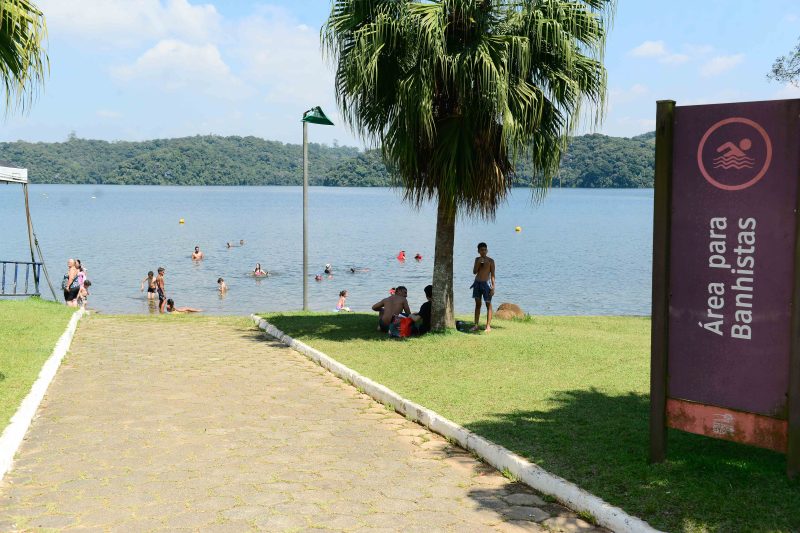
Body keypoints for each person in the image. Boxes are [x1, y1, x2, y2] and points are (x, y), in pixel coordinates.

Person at [471, 242, 496, 332]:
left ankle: (488, 326)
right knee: (478, 305)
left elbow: (492, 275)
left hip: (486, 284)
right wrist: (479, 262)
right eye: (481, 250)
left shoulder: (491, 261)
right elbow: (474, 272)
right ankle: (476, 325)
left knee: (488, 305)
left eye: (485, 250)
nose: (483, 251)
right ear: (478, 251)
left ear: (487, 250)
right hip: (477, 283)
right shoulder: (477, 259)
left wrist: (493, 287)